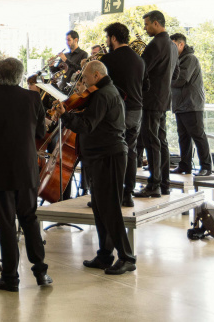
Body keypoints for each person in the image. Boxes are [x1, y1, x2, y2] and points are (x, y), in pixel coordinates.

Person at [0, 58, 51, 292]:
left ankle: (10, 278)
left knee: (6, 224)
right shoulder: (33, 98)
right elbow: (41, 131)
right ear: (20, 75)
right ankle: (41, 273)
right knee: (30, 218)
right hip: (26, 167)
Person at [54, 61, 135, 275]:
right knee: (100, 209)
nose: (83, 82)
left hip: (109, 155)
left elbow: (87, 125)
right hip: (103, 155)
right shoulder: (107, 91)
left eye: (86, 78)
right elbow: (93, 120)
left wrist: (65, 115)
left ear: (97, 75)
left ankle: (127, 257)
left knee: (110, 209)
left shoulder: (103, 94)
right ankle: (105, 255)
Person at [100, 22, 145, 206]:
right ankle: (127, 194)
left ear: (113, 38)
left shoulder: (108, 60)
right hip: (136, 109)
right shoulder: (139, 60)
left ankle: (111, 195)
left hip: (116, 112)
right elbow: (146, 85)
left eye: (107, 38)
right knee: (131, 152)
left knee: (111, 152)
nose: (107, 42)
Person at [134, 10, 179, 198]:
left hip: (151, 100)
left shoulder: (155, 44)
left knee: (151, 141)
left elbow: (140, 70)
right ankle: (165, 184)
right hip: (164, 100)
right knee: (161, 141)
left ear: (156, 23)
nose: (145, 28)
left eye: (146, 24)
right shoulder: (173, 46)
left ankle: (153, 185)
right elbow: (175, 75)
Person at [170, 34, 212, 177]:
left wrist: (163, 80)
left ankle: (206, 167)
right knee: (183, 137)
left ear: (181, 45)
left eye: (173, 45)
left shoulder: (190, 59)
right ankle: (185, 165)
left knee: (198, 135)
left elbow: (181, 79)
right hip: (180, 104)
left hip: (192, 104)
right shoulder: (178, 59)